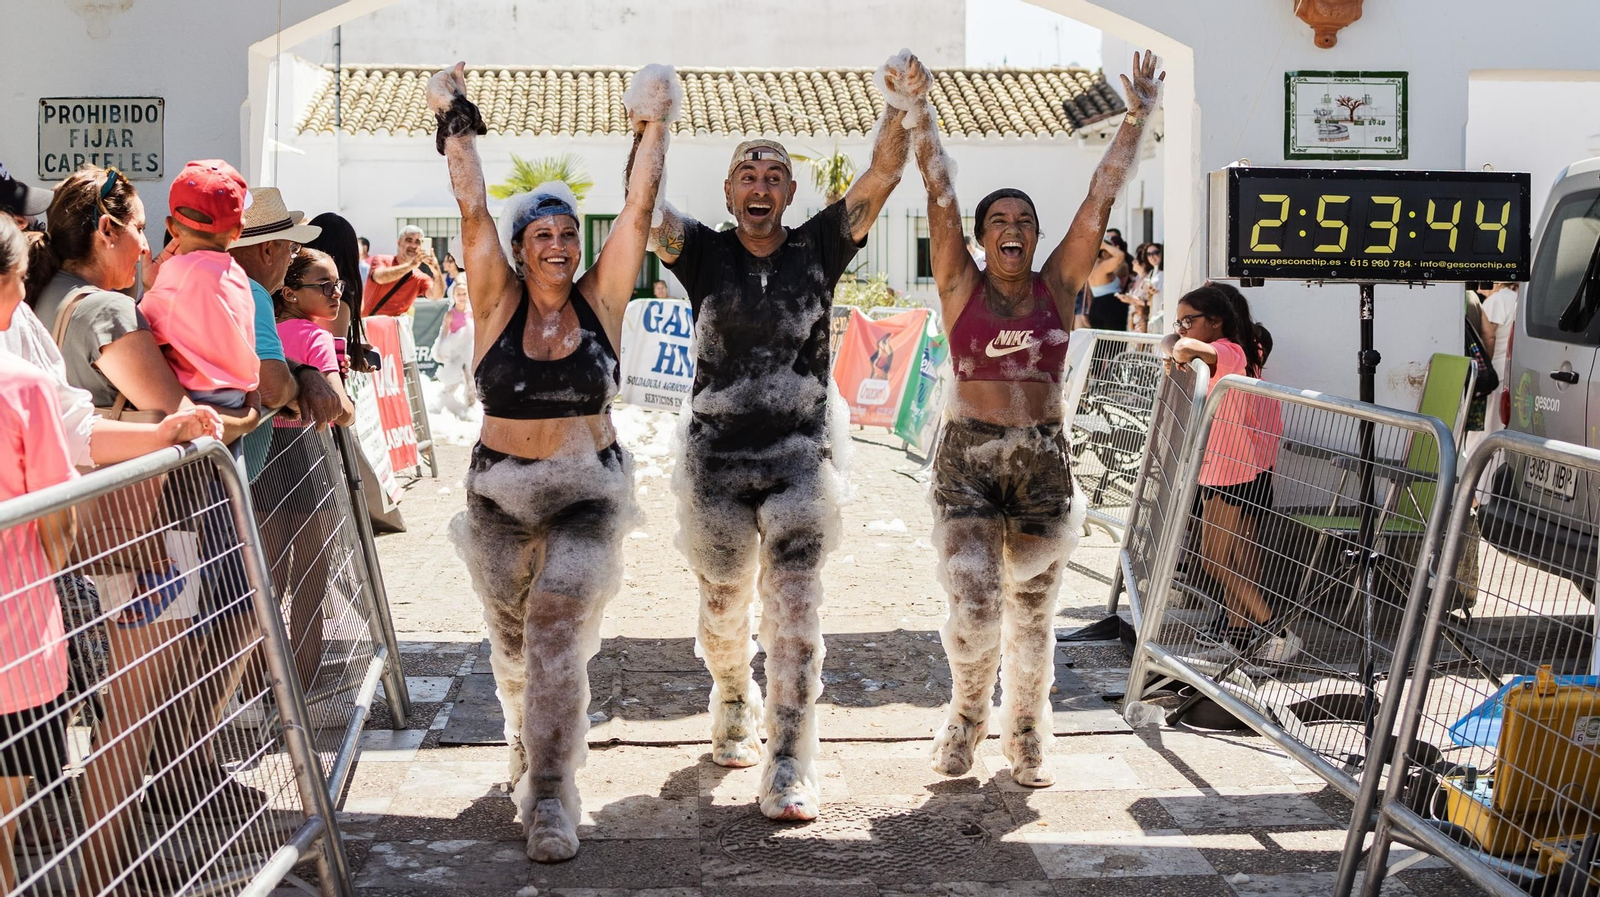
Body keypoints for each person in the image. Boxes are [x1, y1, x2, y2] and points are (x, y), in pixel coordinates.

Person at [648, 49, 923, 822]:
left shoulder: (819, 247)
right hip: (717, 460)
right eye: (749, 174)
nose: (761, 184)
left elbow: (881, 176)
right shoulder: (701, 252)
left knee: (797, 615)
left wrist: (898, 105)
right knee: (725, 599)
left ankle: (790, 759)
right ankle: (732, 692)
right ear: (730, 192)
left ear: (790, 192)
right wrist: (654, 124)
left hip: (801, 457)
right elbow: (643, 206)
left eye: (774, 175)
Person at [429, 58, 671, 861]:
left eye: (570, 233)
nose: (560, 244)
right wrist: (452, 114)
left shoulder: (601, 300)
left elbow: (638, 207)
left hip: (588, 494)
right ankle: (524, 741)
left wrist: (657, 122)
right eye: (544, 234)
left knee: (557, 622)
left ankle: (553, 793)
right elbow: (470, 211)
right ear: (523, 248)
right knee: (513, 652)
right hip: (499, 499)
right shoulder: (495, 302)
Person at [908, 50, 1164, 788]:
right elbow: (940, 193)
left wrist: (1138, 117)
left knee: (1031, 613)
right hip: (968, 461)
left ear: (1036, 235)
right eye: (999, 221)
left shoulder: (1057, 282)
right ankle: (963, 714)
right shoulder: (959, 284)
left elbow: (1101, 198)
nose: (1010, 229)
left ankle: (1026, 730)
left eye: (1023, 221)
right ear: (984, 238)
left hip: (1045, 465)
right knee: (978, 600)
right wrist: (919, 112)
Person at [1165, 283, 1298, 664]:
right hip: (1242, 465)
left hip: (1231, 469)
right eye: (1180, 321)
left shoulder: (1230, 350)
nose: (1183, 328)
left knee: (1215, 559)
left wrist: (1179, 346)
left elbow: (1187, 348)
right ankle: (1239, 637)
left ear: (1218, 319)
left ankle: (1278, 630)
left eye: (1189, 320)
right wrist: (1178, 340)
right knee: (1240, 557)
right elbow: (1179, 343)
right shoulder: (1247, 346)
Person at [270, 247, 357, 692]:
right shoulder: (315, 337)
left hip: (262, 455)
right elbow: (341, 410)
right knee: (309, 582)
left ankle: (252, 686)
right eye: (324, 285)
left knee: (265, 583)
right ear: (288, 292)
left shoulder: (263, 330)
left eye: (338, 283)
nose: (336, 293)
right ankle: (302, 685)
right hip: (305, 455)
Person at [139, 160, 260, 415]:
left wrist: (149, 287)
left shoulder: (177, 272)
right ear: (238, 231)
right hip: (236, 398)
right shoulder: (237, 274)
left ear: (171, 227)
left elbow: (139, 328)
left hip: (199, 399)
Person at [305, 212, 373, 373]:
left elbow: (327, 350)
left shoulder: (301, 286)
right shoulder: (338, 296)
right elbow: (329, 358)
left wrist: (348, 349)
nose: (334, 293)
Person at [363, 224, 444, 316]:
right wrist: (411, 265)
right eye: (409, 240)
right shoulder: (382, 259)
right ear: (399, 242)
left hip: (395, 328)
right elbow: (380, 278)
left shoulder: (420, 277)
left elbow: (437, 295)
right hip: (370, 324)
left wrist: (436, 270)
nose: (413, 245)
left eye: (417, 242)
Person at [433, 276, 476, 417]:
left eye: (464, 294)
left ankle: (470, 409)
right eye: (459, 294)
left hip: (468, 353)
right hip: (454, 352)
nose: (462, 297)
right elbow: (443, 334)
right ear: (454, 296)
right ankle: (440, 404)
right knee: (452, 382)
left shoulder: (471, 313)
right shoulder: (450, 314)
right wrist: (440, 350)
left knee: (471, 382)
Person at [1478, 282, 1518, 433]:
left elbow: (1488, 336)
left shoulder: (1496, 301)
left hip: (1494, 370)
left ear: (1498, 282)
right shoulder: (1515, 298)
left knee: (1488, 427)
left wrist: (1483, 369)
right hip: (1508, 370)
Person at [1081, 239, 1127, 330]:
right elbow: (1120, 255)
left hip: (1095, 305)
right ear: (1104, 253)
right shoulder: (1103, 266)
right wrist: (1105, 245)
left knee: (1101, 342)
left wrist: (1087, 310)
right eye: (1110, 252)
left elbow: (1088, 291)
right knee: (1115, 341)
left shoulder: (1090, 267)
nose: (1111, 254)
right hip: (1111, 306)